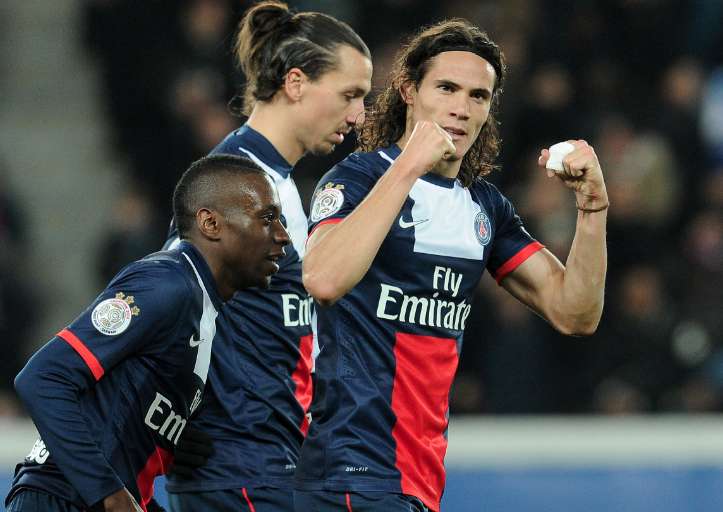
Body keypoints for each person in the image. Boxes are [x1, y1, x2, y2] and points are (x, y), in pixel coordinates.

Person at [295, 19, 608, 512]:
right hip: (349, 469)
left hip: (417, 476)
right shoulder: (357, 178)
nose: (462, 108)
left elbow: (575, 313)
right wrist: (408, 166)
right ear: (408, 92)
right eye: (446, 88)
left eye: (478, 96)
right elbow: (323, 279)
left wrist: (593, 210)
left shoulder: (484, 208)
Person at [162, 2, 372, 511]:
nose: (358, 115)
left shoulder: (277, 182)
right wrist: (168, 420)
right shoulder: (234, 183)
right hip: (238, 466)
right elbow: (165, 296)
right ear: (296, 82)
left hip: (268, 462)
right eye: (349, 95)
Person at [5, 154, 290, 512]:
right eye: (267, 218)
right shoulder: (166, 284)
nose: (283, 235)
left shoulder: (201, 308)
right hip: (58, 498)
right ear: (210, 223)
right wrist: (110, 494)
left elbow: (117, 430)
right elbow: (42, 378)